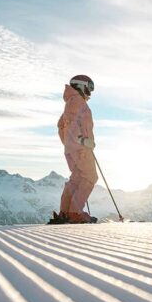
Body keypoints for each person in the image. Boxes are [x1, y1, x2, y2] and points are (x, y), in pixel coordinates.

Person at [51, 74, 99, 224]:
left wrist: (68, 143)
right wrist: (82, 141)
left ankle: (65, 212)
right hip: (81, 148)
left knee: (77, 178)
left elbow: (61, 125)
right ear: (81, 86)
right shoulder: (77, 101)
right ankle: (74, 213)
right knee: (90, 177)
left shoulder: (71, 102)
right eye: (89, 87)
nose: (90, 92)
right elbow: (71, 124)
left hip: (73, 148)